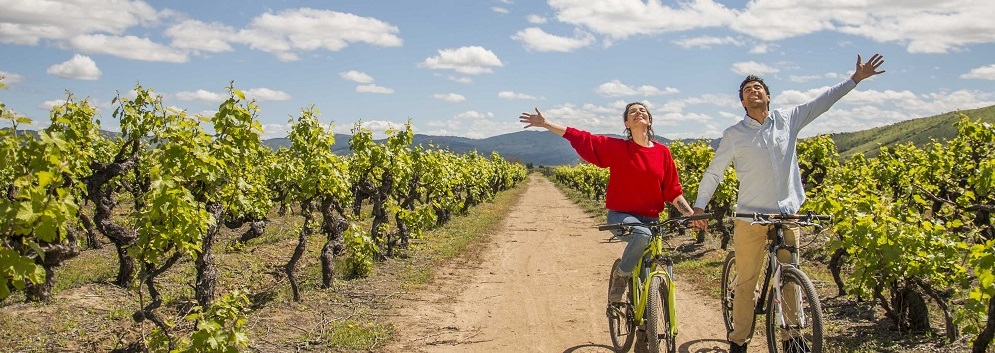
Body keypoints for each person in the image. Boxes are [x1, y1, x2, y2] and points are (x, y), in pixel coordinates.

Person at [690, 53, 886, 353]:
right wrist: (700, 206)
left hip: (786, 215)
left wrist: (855, 79)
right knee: (747, 283)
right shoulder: (734, 135)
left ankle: (792, 340)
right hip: (749, 218)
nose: (753, 91)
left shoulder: (788, 120)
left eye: (758, 88)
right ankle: (739, 340)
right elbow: (715, 171)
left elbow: (822, 101)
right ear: (743, 103)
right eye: (746, 90)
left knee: (791, 280)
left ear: (768, 96)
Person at [519, 102, 697, 303]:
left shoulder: (663, 152)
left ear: (649, 120)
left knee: (647, 277)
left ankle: (643, 326)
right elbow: (582, 138)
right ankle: (621, 275)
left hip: (652, 220)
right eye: (632, 112)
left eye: (642, 110)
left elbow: (673, 191)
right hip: (622, 216)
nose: (638, 112)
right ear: (627, 124)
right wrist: (546, 123)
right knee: (642, 234)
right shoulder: (618, 148)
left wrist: (691, 214)